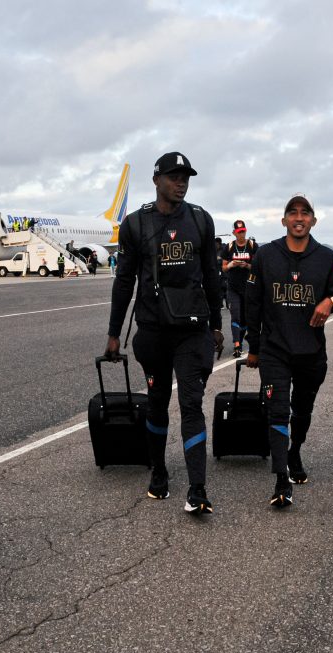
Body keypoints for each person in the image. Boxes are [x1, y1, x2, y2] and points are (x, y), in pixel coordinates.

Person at [104, 151, 224, 515]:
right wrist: (114, 332)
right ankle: (158, 470)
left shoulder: (200, 220)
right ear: (156, 180)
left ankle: (198, 489)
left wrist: (217, 325)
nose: (181, 183)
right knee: (156, 403)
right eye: (173, 176)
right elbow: (124, 281)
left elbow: (212, 275)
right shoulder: (136, 224)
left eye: (185, 177)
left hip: (192, 331)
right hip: (154, 331)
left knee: (191, 404)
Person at [245, 196, 333, 507]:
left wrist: (330, 301)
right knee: (278, 410)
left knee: (302, 410)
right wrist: (254, 347)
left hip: (311, 350)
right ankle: (281, 478)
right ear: (283, 220)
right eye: (292, 213)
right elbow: (253, 302)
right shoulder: (266, 255)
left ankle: (295, 450)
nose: (299, 218)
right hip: (275, 349)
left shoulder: (325, 257)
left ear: (313, 220)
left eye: (305, 213)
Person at [222, 220, 258, 358]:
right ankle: (237, 345)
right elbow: (224, 267)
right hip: (233, 288)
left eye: (243, 231)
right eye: (238, 232)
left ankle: (241, 342)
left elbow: (258, 267)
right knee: (235, 315)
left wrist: (247, 266)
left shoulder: (252, 246)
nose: (241, 234)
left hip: (249, 287)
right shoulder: (229, 247)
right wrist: (231, 264)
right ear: (234, 233)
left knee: (245, 319)